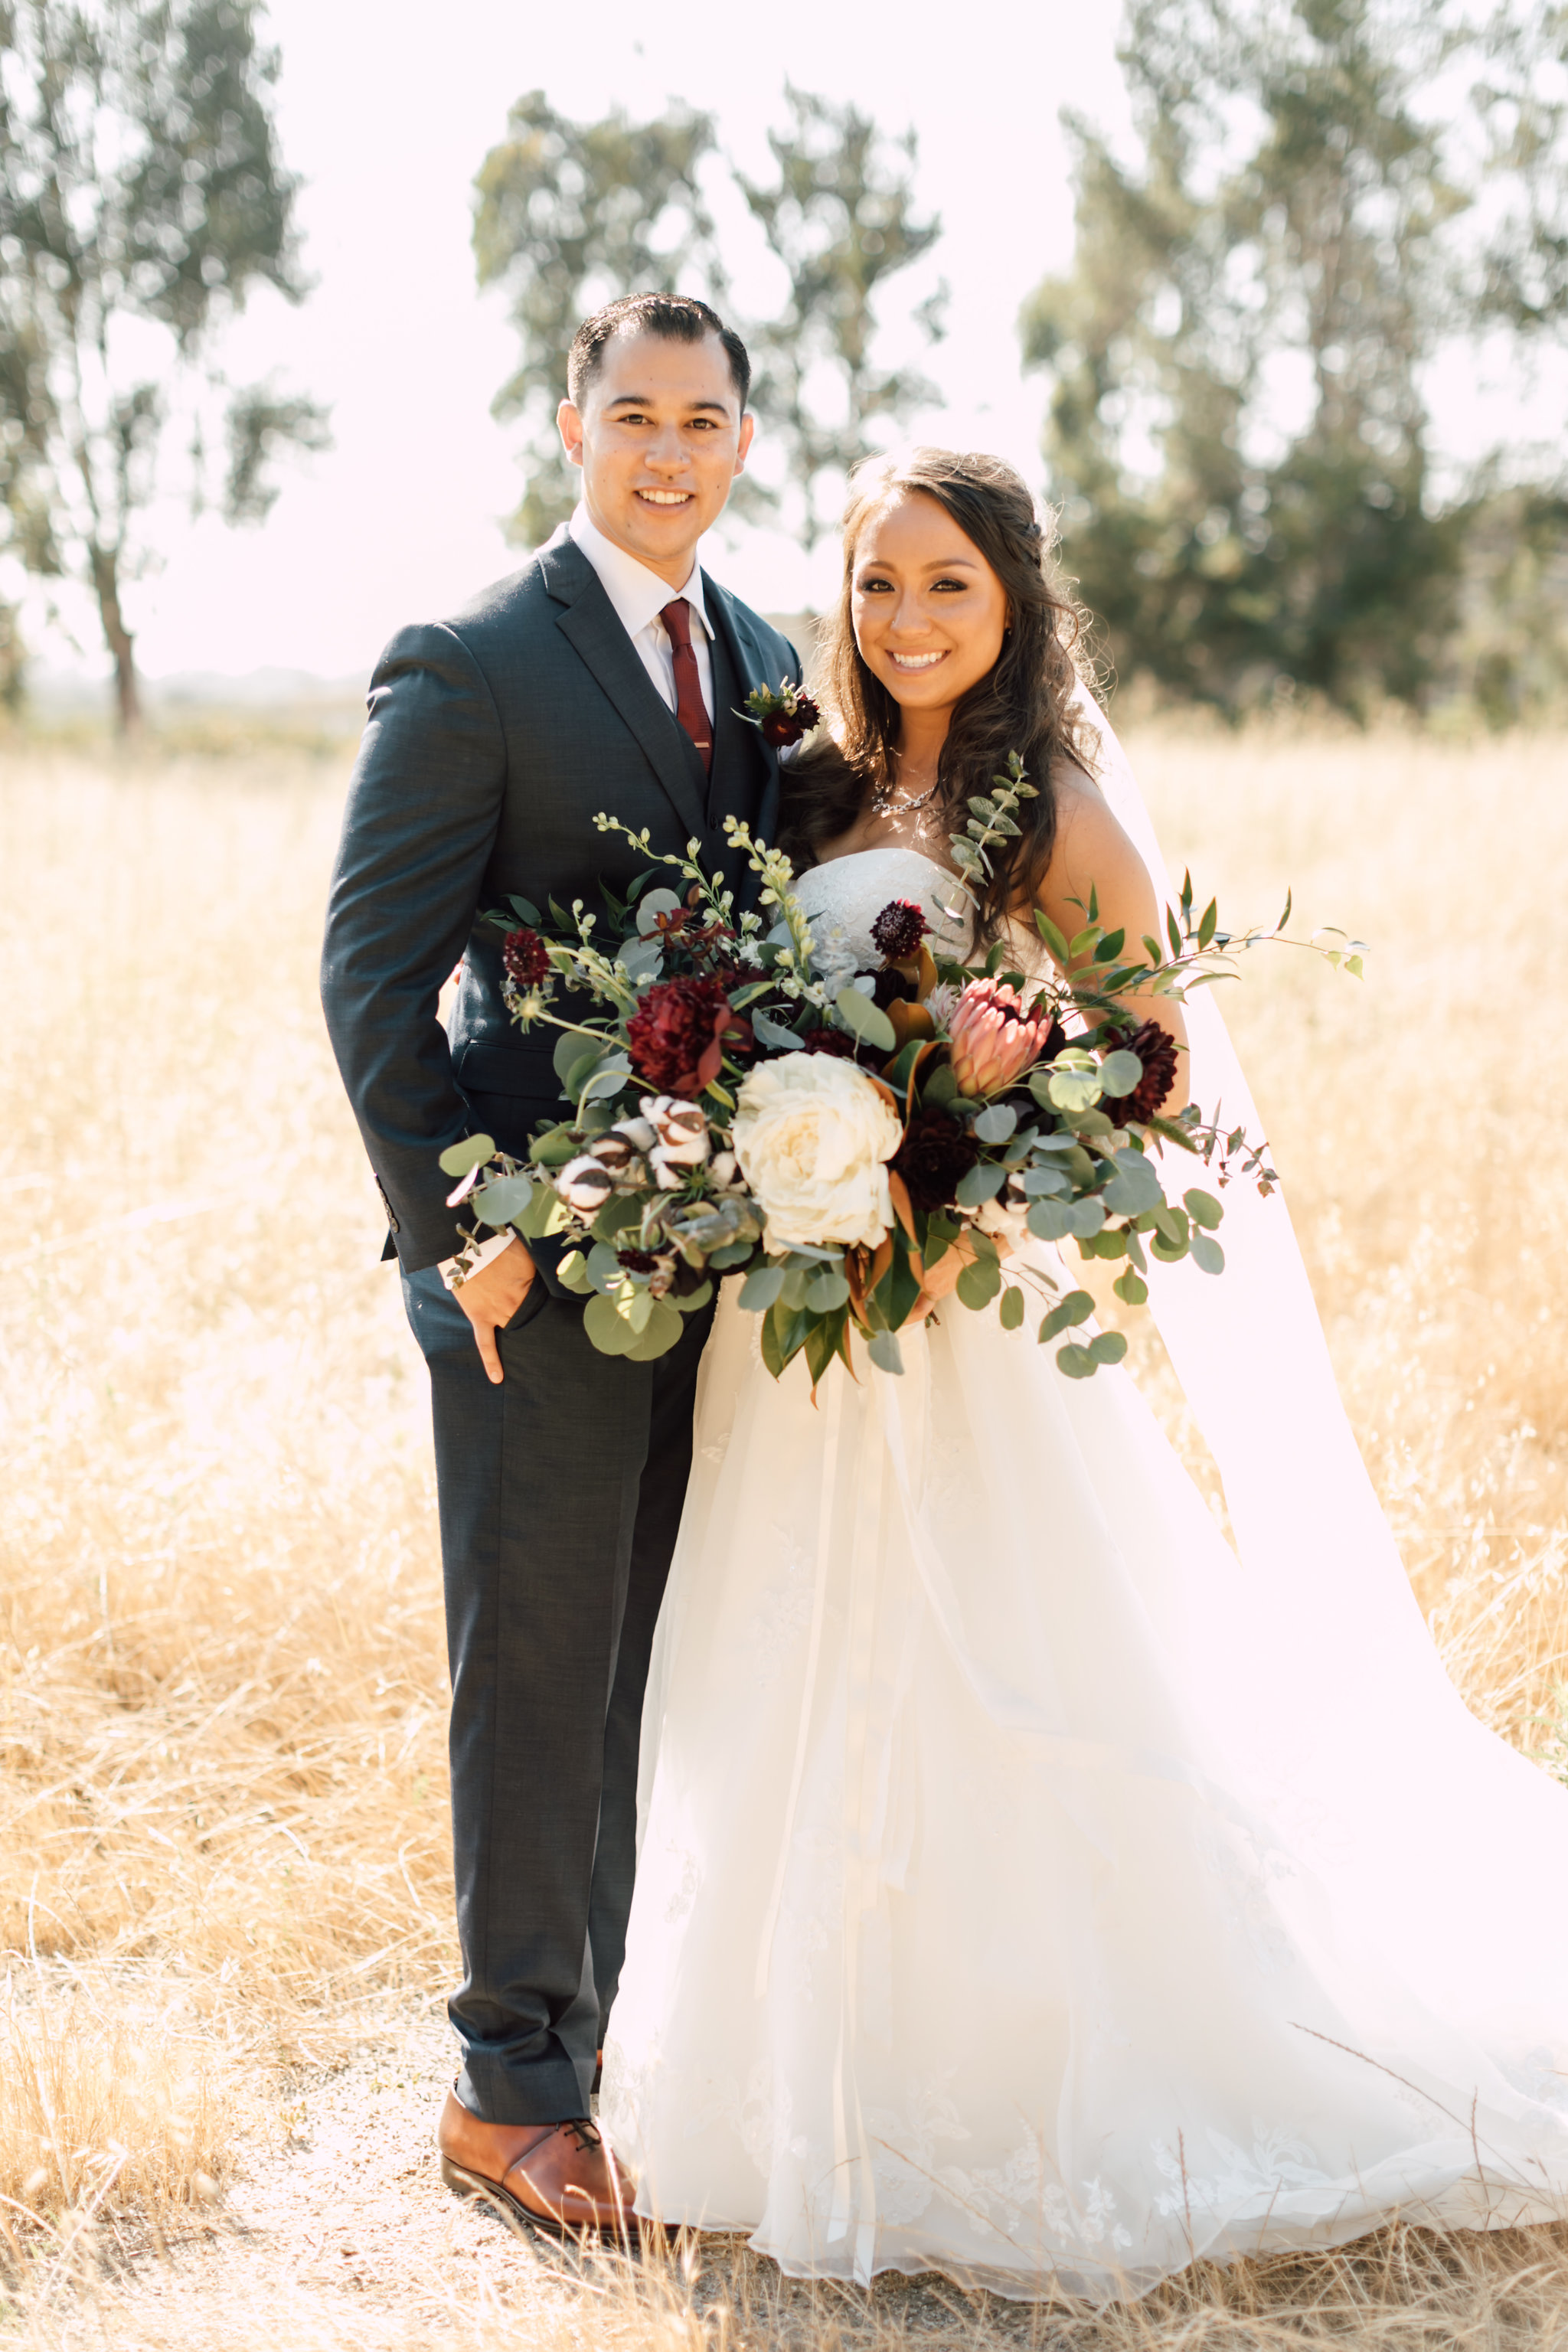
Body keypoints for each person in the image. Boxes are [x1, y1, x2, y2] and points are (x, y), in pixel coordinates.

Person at [600, 447, 1568, 2300]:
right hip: (789, 1325)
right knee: (776, 1662)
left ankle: (1049, 2085)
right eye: (879, 583)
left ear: (1014, 603)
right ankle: (784, 2096)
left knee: (1010, 1673)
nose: (906, 619)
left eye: (946, 585)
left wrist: (972, 1161)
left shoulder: (1040, 811)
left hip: (962, 1323)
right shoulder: (798, 789)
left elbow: (1151, 1070)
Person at [321, 294, 799, 2237]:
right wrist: (468, 1236)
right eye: (633, 416)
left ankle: (596, 2052)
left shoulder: (767, 661)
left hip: (710, 1275)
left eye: (701, 419)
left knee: (638, 1669)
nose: (666, 451)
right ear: (568, 425)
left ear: (743, 441)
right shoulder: (473, 661)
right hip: (533, 1277)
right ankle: (504, 2090)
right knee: (532, 1670)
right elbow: (371, 980)